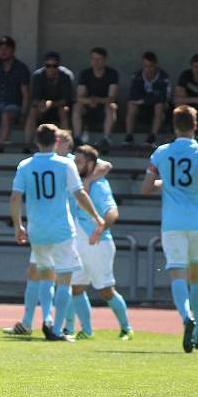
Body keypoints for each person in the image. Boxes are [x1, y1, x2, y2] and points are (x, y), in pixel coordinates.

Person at [2, 129, 111, 336]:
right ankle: (56, 329)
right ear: (56, 141)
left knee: (44, 276)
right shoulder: (65, 164)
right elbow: (79, 193)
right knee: (64, 278)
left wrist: (18, 226)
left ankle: (45, 319)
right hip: (61, 229)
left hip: (37, 229)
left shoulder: (25, 165)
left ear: (36, 141)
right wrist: (97, 217)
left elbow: (15, 197)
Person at [142, 105, 198, 352]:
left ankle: (185, 316)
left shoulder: (161, 152)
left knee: (177, 272)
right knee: (197, 273)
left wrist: (164, 182)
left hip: (172, 222)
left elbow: (146, 187)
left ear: (174, 125)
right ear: (196, 125)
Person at [64, 145, 134, 341]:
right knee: (76, 287)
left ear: (90, 165)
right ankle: (86, 331)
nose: (74, 165)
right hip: (79, 243)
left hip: (97, 244)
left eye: (79, 162)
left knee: (105, 290)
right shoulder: (76, 182)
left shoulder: (99, 185)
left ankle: (126, 328)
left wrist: (101, 228)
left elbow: (112, 212)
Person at [23, 52, 74, 148]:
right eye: (48, 65)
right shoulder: (37, 76)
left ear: (58, 66)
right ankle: (27, 144)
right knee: (33, 111)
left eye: (54, 66)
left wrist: (51, 104)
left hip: (59, 107)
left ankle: (67, 145)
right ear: (44, 65)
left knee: (64, 110)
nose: (51, 68)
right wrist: (41, 104)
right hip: (41, 108)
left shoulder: (66, 76)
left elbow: (68, 100)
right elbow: (34, 99)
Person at [72, 47, 119, 151]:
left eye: (99, 59)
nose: (96, 62)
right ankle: (77, 138)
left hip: (104, 106)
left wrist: (97, 100)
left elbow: (112, 97)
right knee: (77, 106)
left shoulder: (112, 74)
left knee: (111, 107)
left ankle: (106, 139)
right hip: (88, 106)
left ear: (104, 60)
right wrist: (89, 101)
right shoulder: (85, 73)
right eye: (93, 59)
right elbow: (79, 97)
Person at [123, 51, 171, 147]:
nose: (148, 69)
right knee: (131, 105)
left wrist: (144, 100)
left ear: (156, 65)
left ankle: (151, 138)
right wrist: (149, 99)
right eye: (145, 66)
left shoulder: (164, 77)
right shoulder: (137, 76)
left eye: (151, 66)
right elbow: (133, 96)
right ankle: (129, 137)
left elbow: (163, 98)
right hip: (141, 109)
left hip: (158, 111)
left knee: (159, 105)